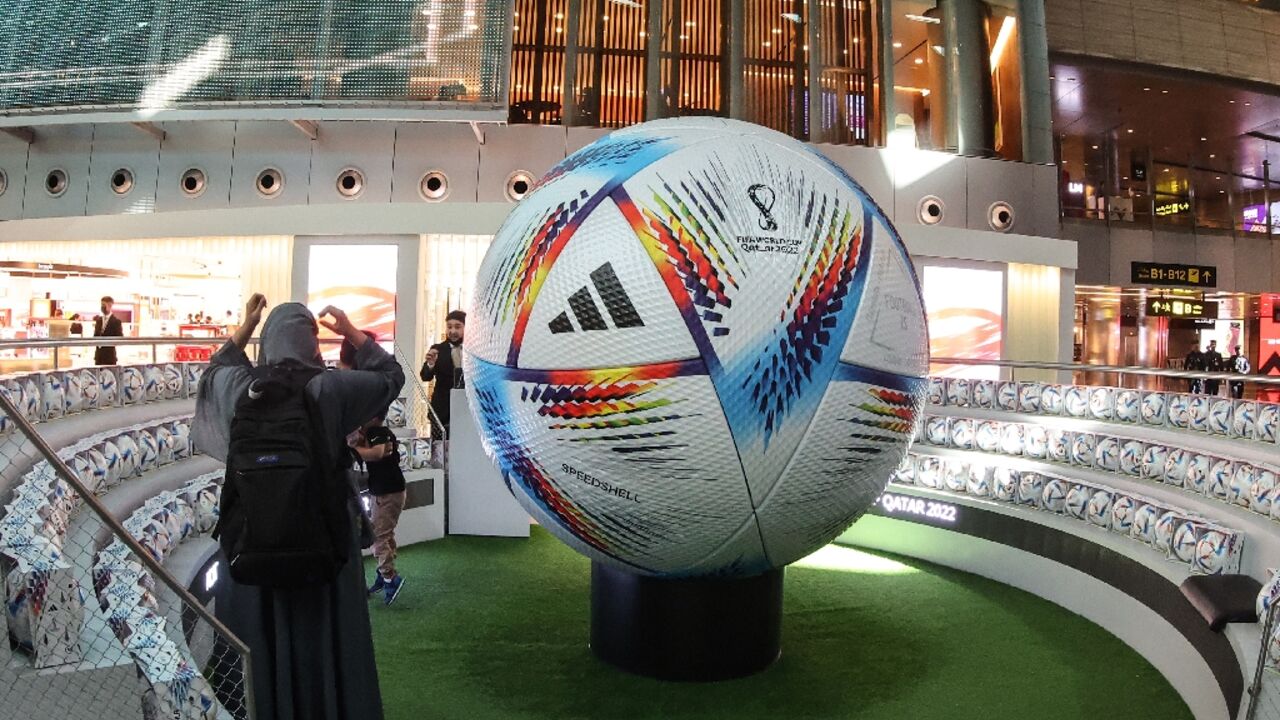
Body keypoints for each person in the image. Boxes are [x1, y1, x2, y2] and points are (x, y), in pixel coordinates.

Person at [193, 295, 404, 720]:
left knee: (260, 641)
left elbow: (212, 371)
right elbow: (390, 375)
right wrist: (348, 331)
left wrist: (245, 326)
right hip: (325, 538)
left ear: (267, 340)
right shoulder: (330, 388)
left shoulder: (237, 387)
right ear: (312, 342)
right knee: (329, 634)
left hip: (252, 540)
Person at [420, 310, 465, 464]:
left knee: (461, 454)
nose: (452, 331)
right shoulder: (437, 349)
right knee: (439, 455)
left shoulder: (473, 350)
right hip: (441, 411)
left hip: (465, 411)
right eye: (449, 327)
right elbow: (425, 376)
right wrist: (430, 364)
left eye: (457, 327)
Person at [93, 296, 124, 366]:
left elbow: (120, 338)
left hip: (109, 357)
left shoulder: (116, 322)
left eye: (104, 305)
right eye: (101, 305)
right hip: (98, 357)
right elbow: (95, 336)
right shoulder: (99, 320)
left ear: (110, 305)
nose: (102, 307)